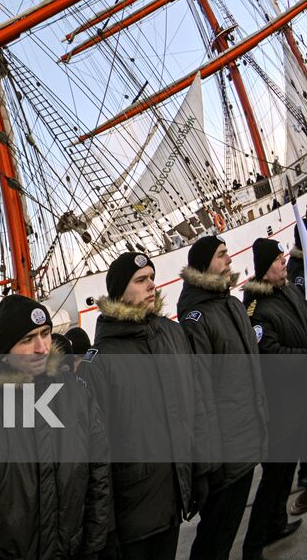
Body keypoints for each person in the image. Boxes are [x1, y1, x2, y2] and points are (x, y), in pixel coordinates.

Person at [0, 293, 112, 560]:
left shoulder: (77, 395)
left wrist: (93, 547)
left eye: (45, 334)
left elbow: (98, 476)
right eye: (27, 339)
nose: (42, 347)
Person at [83, 250, 212, 560]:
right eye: (140, 280)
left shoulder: (173, 334)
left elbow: (194, 404)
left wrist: (201, 470)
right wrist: (105, 528)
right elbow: (96, 452)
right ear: (119, 292)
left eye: (152, 278)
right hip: (133, 512)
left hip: (173, 496)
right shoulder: (101, 360)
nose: (151, 285)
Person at [176, 234, 269, 560]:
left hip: (245, 440)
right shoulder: (197, 318)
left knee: (228, 528)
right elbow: (200, 396)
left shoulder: (231, 305)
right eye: (221, 254)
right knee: (214, 538)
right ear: (204, 265)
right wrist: (209, 461)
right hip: (225, 452)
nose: (229, 259)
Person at [241, 237, 307, 559]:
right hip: (280, 408)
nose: (284, 262)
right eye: (278, 260)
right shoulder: (257, 310)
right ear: (265, 270)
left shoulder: (288, 291)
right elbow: (270, 356)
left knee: (285, 474)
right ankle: (253, 545)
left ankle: (277, 524)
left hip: (298, 399)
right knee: (273, 478)